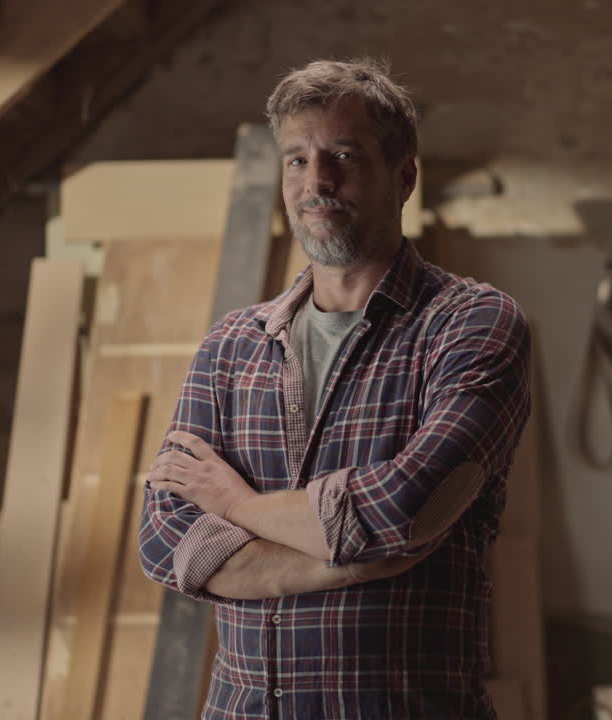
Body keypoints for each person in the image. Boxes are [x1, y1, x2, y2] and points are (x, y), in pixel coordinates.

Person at [139, 58, 531, 720]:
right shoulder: (233, 346)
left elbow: (404, 508)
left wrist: (236, 504)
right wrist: (350, 560)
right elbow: (164, 539)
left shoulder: (473, 324)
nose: (316, 181)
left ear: (403, 177)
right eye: (297, 159)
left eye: (343, 155)